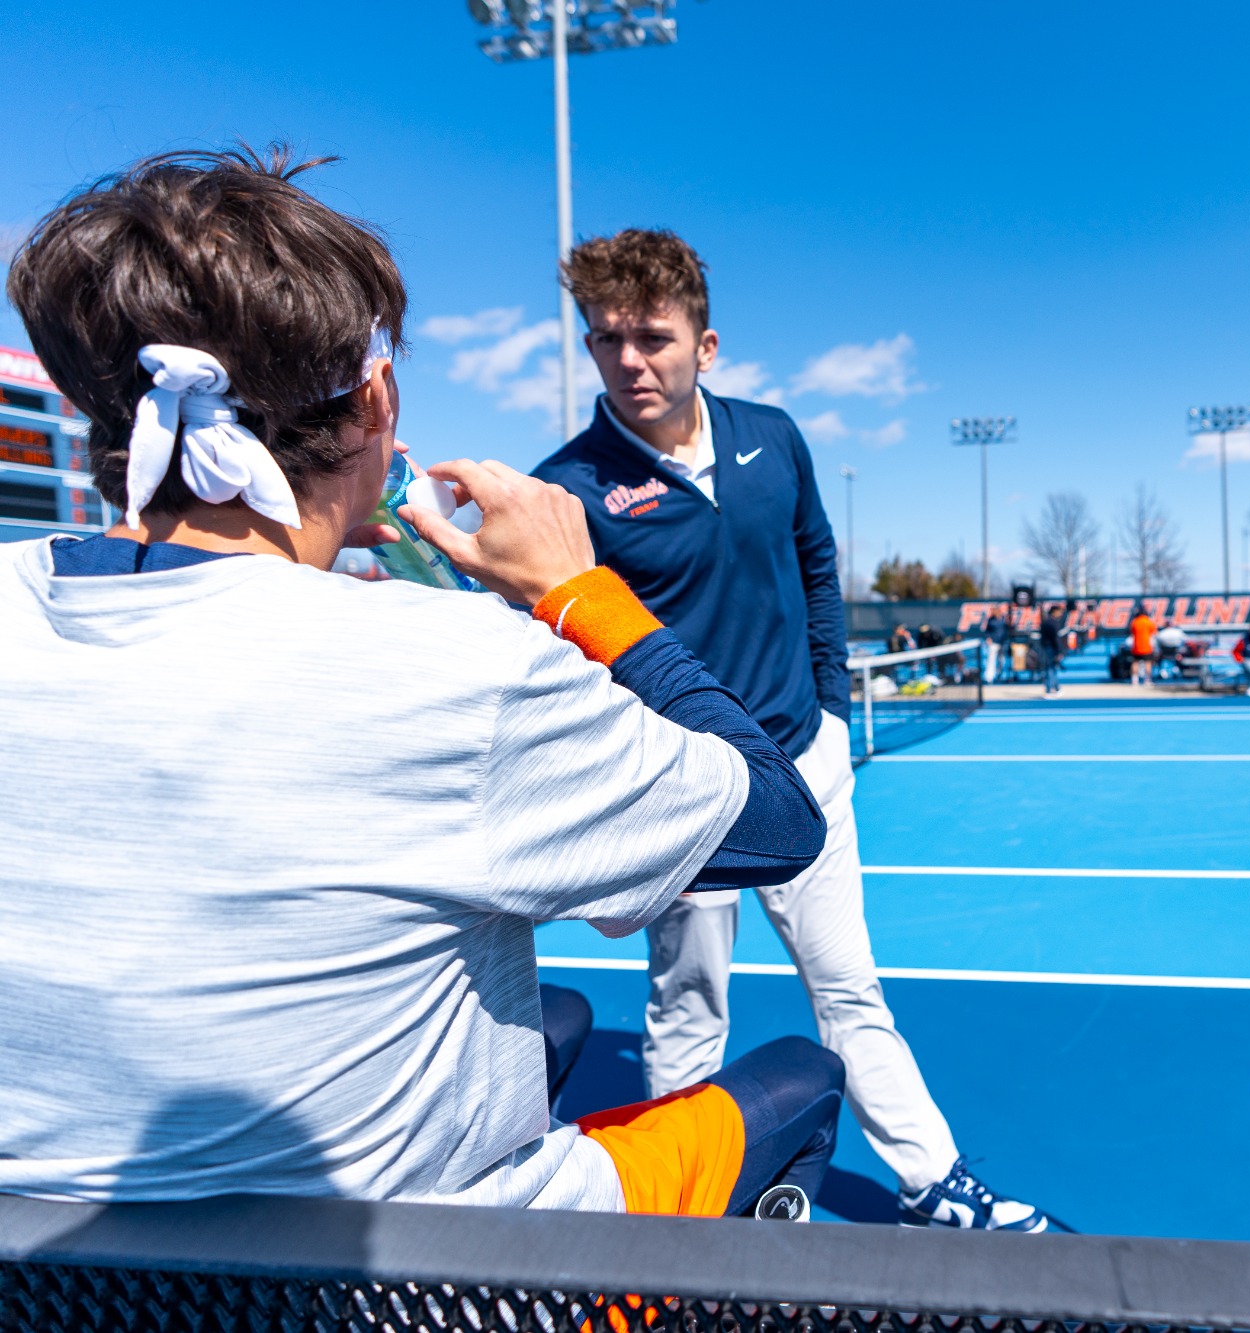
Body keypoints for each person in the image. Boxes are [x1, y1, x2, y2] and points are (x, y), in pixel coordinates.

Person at [0, 148, 845, 1219]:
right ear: (376, 396)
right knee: (798, 1083)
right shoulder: (453, 667)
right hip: (416, 1279)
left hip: (66, 1269)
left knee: (555, 1020)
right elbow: (774, 816)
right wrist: (582, 592)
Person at [532, 229, 1044, 1231]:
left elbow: (816, 565)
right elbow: (565, 650)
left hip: (804, 764)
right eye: (605, 340)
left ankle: (933, 1183)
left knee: (849, 987)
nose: (629, 360)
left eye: (652, 337)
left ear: (705, 345)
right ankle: (674, 1223)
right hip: (683, 788)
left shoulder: (772, 438)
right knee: (686, 1010)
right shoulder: (571, 488)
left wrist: (831, 711)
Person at [1037, 599, 1068, 696]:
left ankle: (1054, 687)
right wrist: (1060, 651)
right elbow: (1056, 639)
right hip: (1052, 648)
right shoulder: (1054, 623)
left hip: (1045, 647)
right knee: (1051, 668)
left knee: (1049, 668)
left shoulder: (1045, 623)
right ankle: (1051, 688)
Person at [1128, 602, 1158, 687]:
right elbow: (1155, 633)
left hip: (1136, 646)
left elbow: (1131, 633)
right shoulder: (1148, 622)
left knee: (1135, 662)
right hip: (1146, 646)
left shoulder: (1135, 622)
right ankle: (1147, 680)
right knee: (1148, 663)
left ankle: (1134, 680)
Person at [1155, 614, 1187, 681]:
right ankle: (1176, 669)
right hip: (1174, 653)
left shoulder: (1161, 634)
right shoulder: (1178, 632)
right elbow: (1184, 641)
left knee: (1158, 654)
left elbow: (1157, 645)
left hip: (1167, 654)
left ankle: (1164, 670)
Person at [982, 607, 1008, 684]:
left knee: (1002, 660)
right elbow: (987, 631)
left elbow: (1007, 630)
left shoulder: (1003, 620)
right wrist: (988, 638)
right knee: (991, 660)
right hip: (993, 642)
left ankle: (1000, 676)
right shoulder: (991, 620)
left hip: (1003, 643)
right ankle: (989, 677)